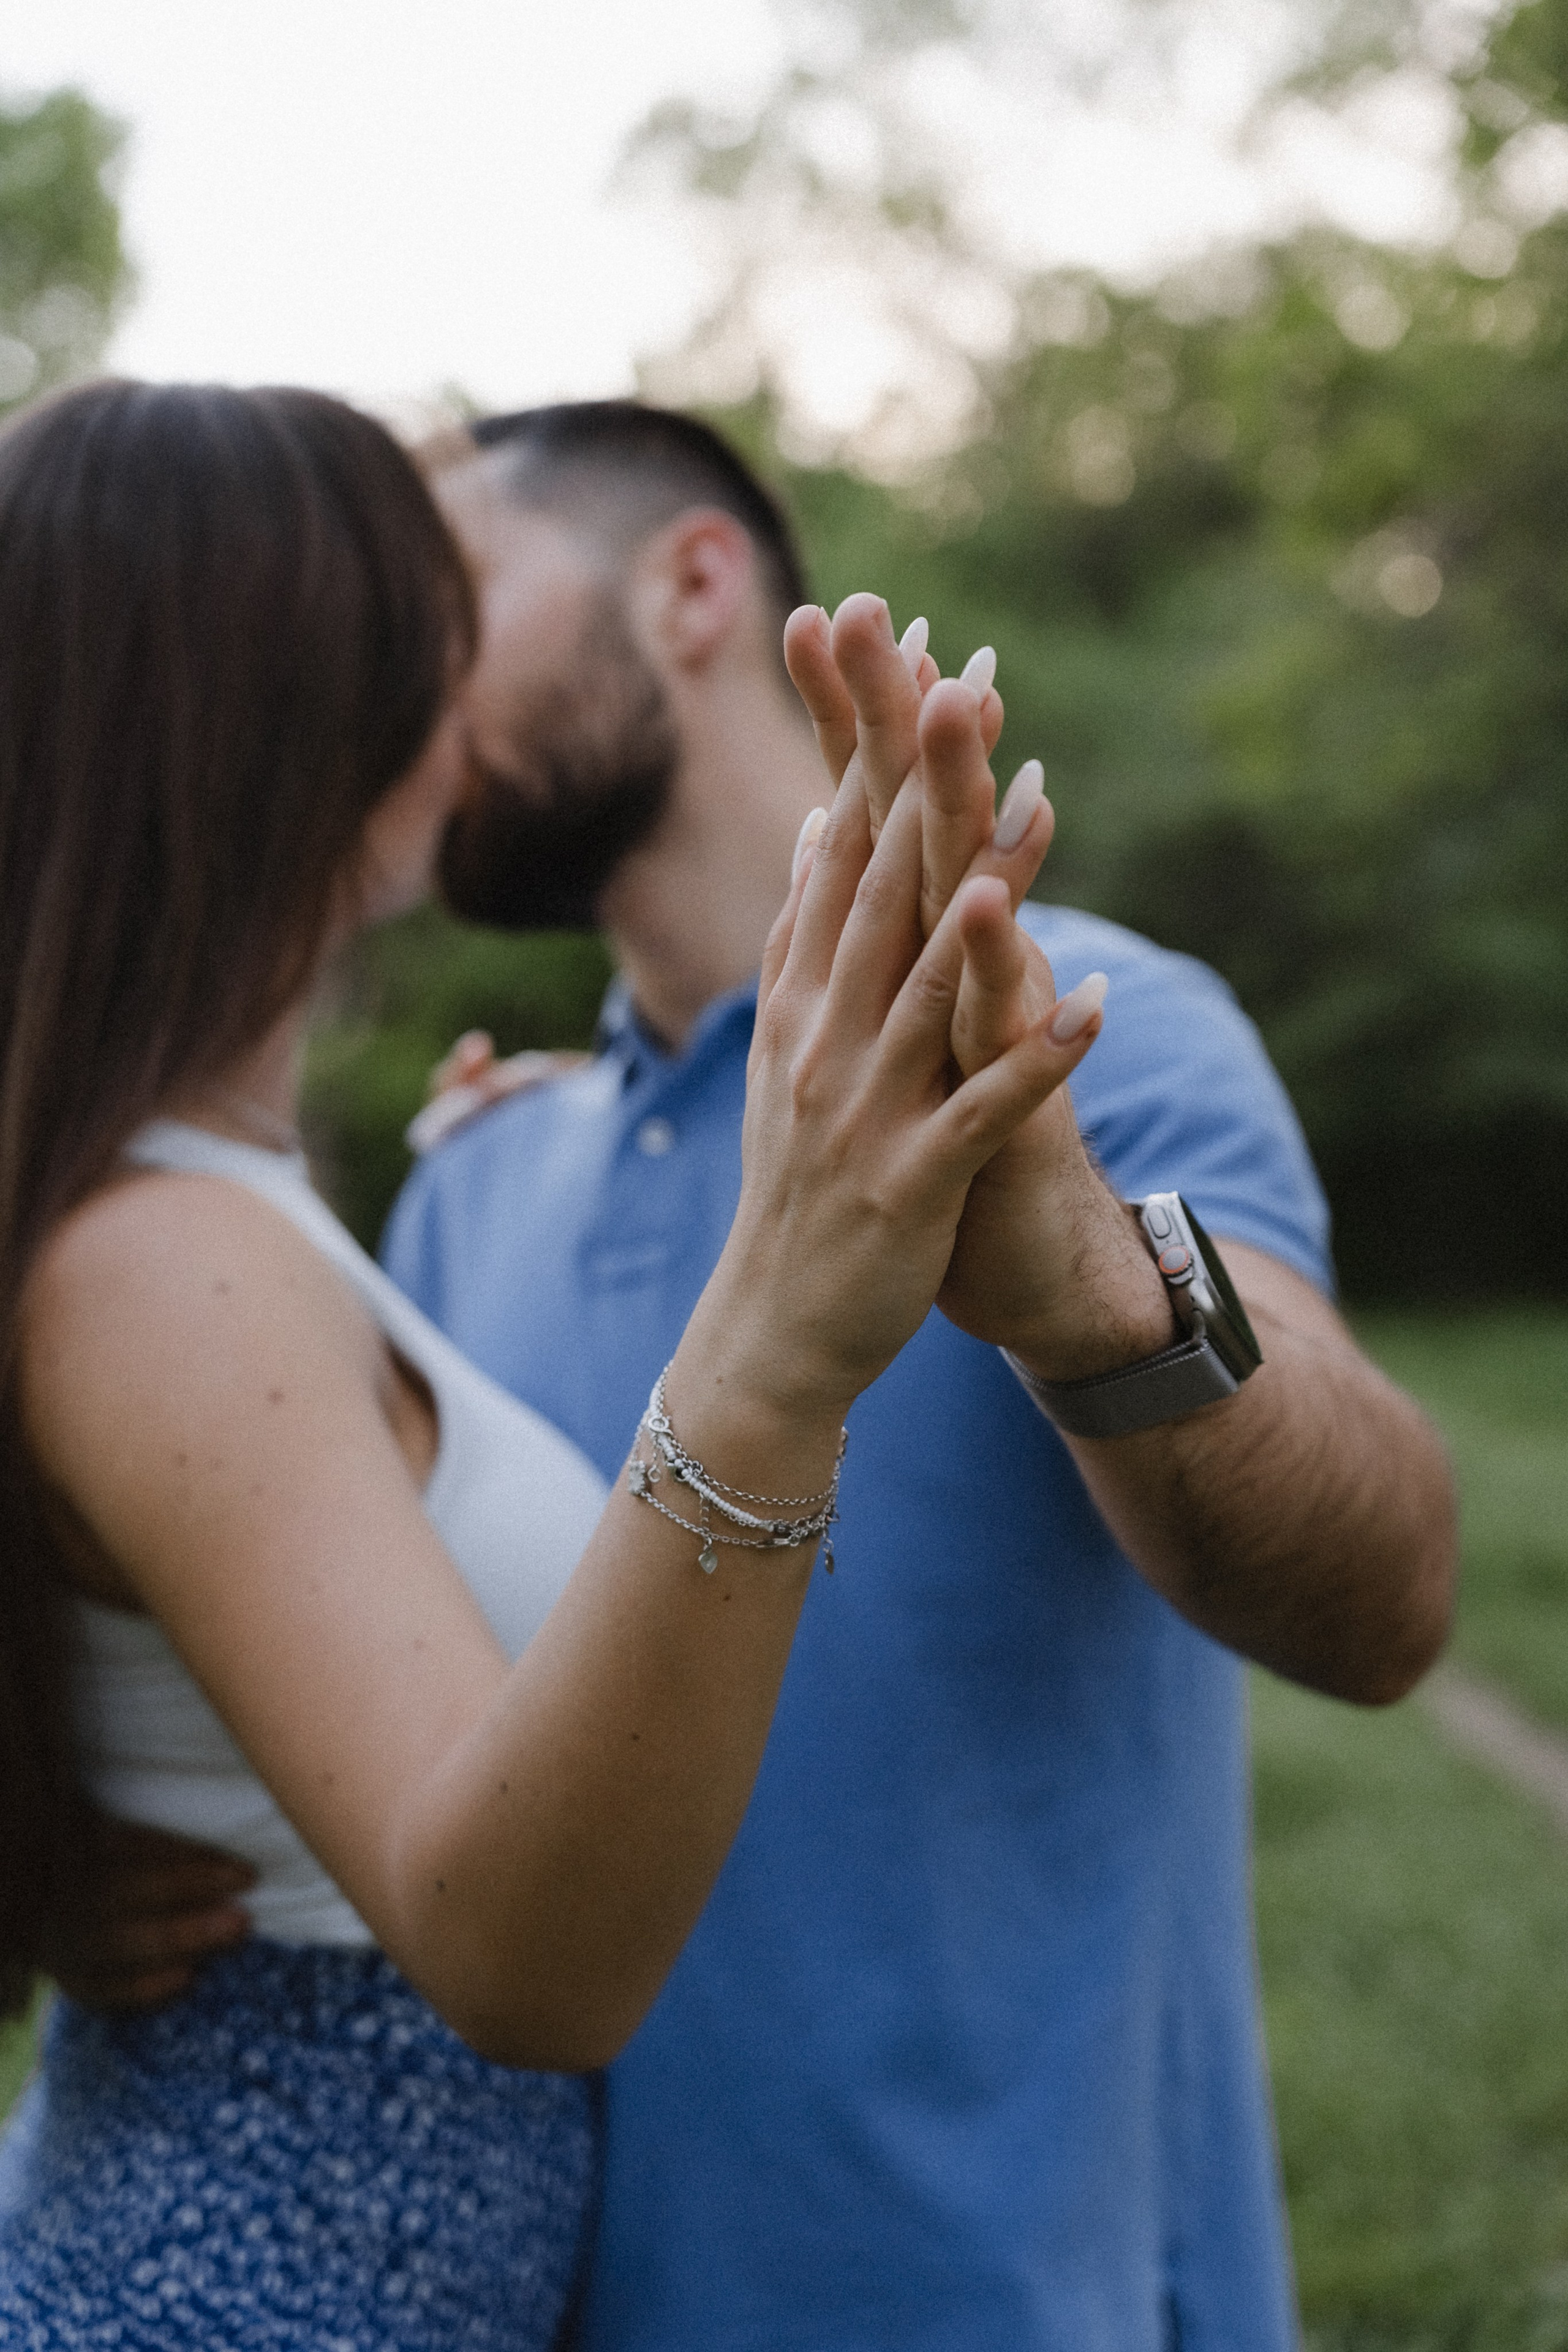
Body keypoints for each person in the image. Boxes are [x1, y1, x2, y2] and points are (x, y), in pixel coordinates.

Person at [62, 401, 1458, 2350]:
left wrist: (1083, 1293)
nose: (395, 669)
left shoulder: (1088, 1043)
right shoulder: (481, 1176)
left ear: (694, 583)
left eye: (446, 593)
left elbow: (1390, 1604)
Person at [0, 379, 1090, 2351]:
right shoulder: (164, 1259)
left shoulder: (218, 1208)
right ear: (278, 696)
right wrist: (778, 1340)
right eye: (422, 607)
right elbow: (520, 1960)